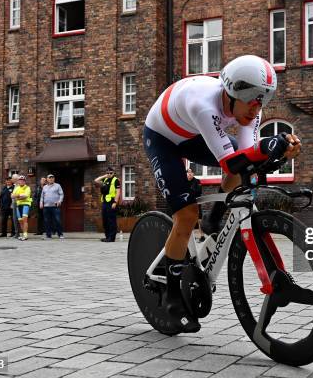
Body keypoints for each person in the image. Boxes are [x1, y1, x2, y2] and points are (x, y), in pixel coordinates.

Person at [143, 55, 300, 333]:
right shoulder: (204, 105)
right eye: (251, 101)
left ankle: (214, 219)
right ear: (231, 93)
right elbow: (232, 162)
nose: (255, 110)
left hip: (193, 134)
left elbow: (246, 159)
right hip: (163, 138)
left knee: (243, 169)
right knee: (186, 215)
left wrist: (279, 152)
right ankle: (171, 293)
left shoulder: (251, 107)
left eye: (261, 102)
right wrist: (266, 146)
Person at [95, 167, 121, 243]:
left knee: (111, 221)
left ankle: (112, 238)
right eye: (108, 173)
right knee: (105, 220)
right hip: (105, 203)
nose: (109, 174)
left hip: (112, 202)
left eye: (111, 173)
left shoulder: (116, 180)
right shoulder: (105, 179)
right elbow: (96, 181)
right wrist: (104, 176)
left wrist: (115, 202)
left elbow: (118, 192)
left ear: (113, 173)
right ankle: (107, 237)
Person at [40, 174, 65, 240]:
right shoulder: (44, 187)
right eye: (50, 178)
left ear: (54, 179)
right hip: (46, 207)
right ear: (47, 179)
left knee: (57, 220)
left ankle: (60, 234)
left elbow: (61, 194)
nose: (51, 179)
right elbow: (42, 196)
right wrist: (41, 203)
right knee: (47, 221)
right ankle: (48, 235)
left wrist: (59, 201)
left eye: (52, 178)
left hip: (55, 206)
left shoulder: (57, 185)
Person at [12, 175, 32, 241]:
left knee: (24, 219)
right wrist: (19, 196)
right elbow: (12, 195)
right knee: (20, 221)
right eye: (20, 180)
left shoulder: (27, 188)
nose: (21, 181)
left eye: (23, 180)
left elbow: (25, 196)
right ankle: (23, 234)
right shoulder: (17, 188)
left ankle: (25, 234)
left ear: (24, 181)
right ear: (18, 181)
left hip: (26, 204)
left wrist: (17, 196)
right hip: (18, 205)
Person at [186, 168, 203, 238]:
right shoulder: (184, 182)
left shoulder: (197, 181)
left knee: (199, 218)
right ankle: (189, 236)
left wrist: (190, 192)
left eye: (191, 172)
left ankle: (201, 234)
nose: (190, 173)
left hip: (196, 203)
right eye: (188, 172)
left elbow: (199, 192)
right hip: (187, 204)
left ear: (193, 174)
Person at [10, 173, 21, 238]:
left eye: (12, 178)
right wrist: (12, 203)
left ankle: (23, 233)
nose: (11, 180)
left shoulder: (20, 185)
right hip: (14, 203)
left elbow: (21, 195)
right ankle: (17, 233)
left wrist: (14, 196)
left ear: (16, 179)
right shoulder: (14, 186)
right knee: (15, 219)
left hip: (20, 203)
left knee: (21, 219)